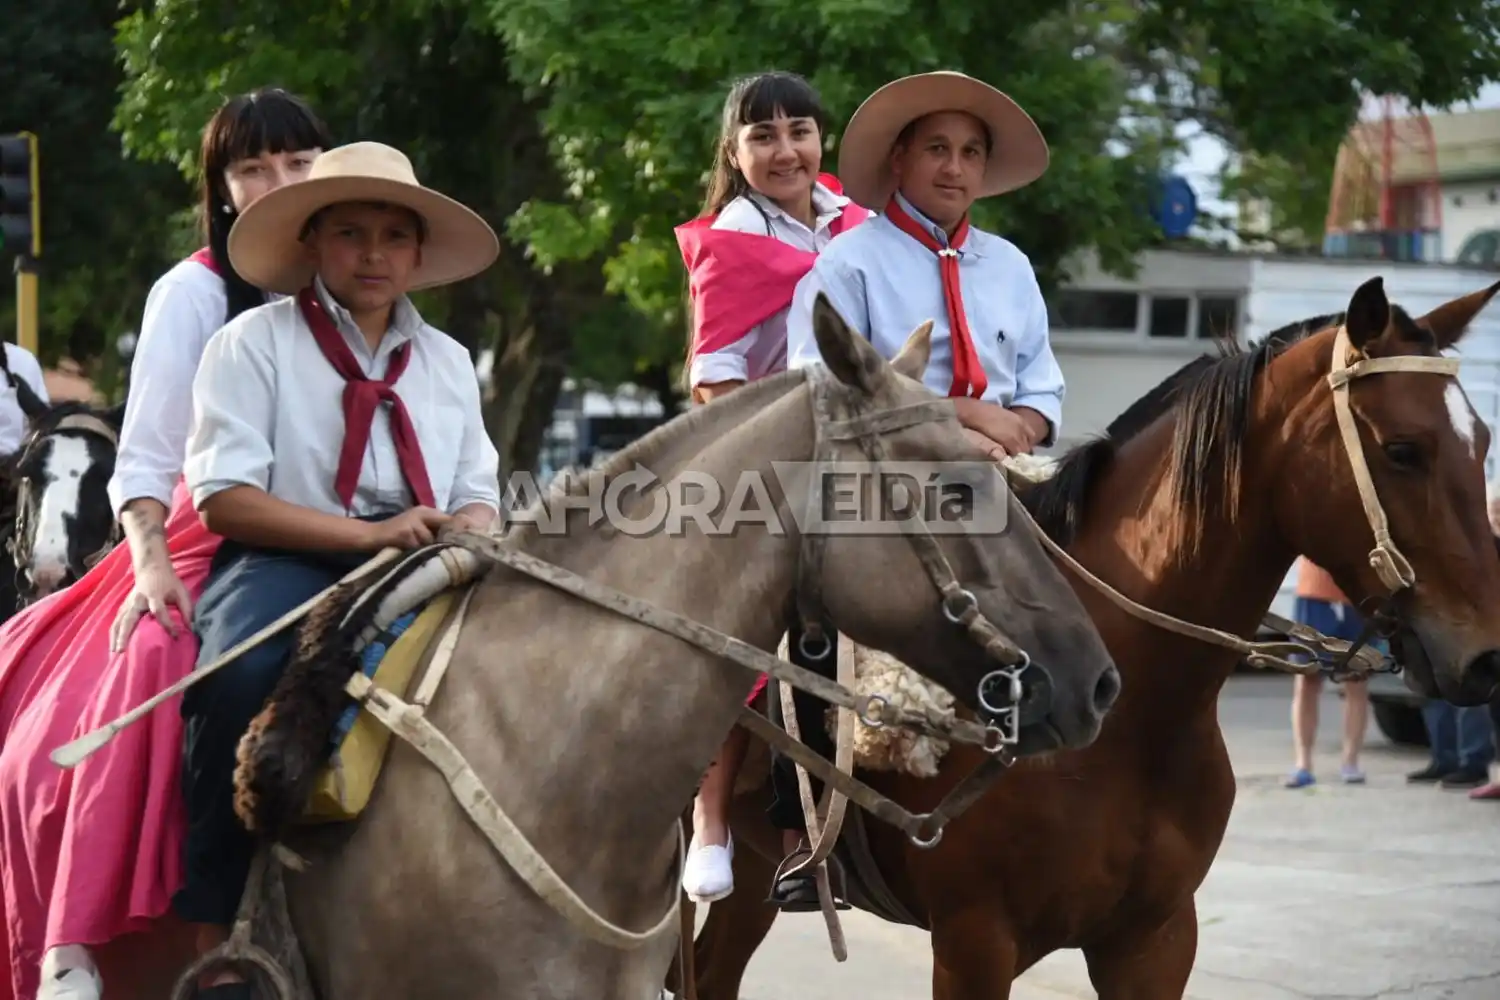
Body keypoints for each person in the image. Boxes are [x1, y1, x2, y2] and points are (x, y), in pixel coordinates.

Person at [0, 89, 332, 1000]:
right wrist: (148, 564)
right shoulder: (192, 292)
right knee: (158, 655)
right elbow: (145, 457)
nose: (275, 183)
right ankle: (81, 938)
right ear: (222, 188)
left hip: (356, 525)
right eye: (252, 168)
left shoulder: (361, 270)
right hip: (206, 528)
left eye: (295, 163)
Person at [174, 140, 501, 997]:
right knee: (236, 678)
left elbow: (477, 494)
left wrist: (464, 533)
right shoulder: (252, 345)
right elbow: (223, 497)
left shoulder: (449, 363)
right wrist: (366, 537)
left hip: (426, 563)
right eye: (351, 232)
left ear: (417, 255)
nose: (373, 253)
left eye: (394, 235)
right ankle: (221, 932)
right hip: (288, 560)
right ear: (313, 242)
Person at [777, 70, 1062, 909]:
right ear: (899, 159)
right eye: (936, 148)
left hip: (1015, 474)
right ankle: (802, 824)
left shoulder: (1009, 266)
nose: (954, 167)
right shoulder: (849, 261)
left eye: (971, 152)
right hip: (886, 480)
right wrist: (957, 419)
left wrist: (1020, 429)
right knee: (808, 617)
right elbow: (819, 384)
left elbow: (1043, 390)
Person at [672, 70, 869, 905]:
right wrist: (799, 435)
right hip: (761, 456)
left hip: (868, 449)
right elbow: (712, 382)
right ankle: (716, 818)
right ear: (735, 151)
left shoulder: (860, 228)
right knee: (746, 617)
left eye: (800, 130)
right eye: (763, 135)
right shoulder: (729, 243)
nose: (784, 149)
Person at [1284, 557, 1370, 787]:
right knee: (1307, 680)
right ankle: (1303, 763)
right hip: (1314, 593)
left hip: (1356, 597)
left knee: (1355, 680)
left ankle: (1351, 762)